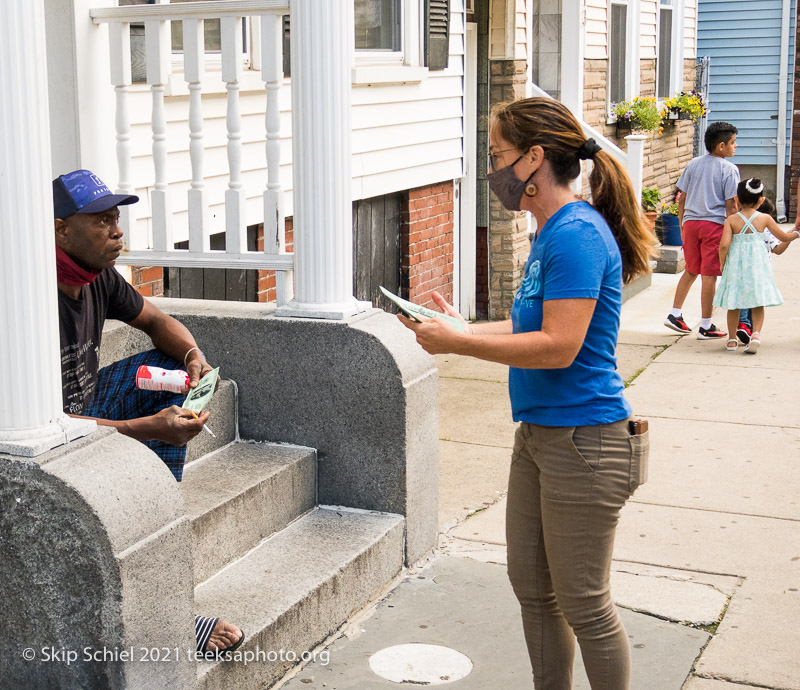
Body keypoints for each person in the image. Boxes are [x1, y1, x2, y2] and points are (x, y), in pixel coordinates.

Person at [400, 97, 655, 689]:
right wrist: (462, 328)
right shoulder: (550, 232)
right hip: (541, 436)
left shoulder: (576, 235)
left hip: (586, 440)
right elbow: (528, 327)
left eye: (498, 156)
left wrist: (459, 345)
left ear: (534, 159)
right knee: (535, 592)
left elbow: (558, 346)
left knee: (585, 604)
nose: (492, 169)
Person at [54, 169, 243, 658]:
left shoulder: (97, 278)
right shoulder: (26, 301)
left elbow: (158, 321)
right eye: (102, 222)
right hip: (47, 440)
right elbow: (36, 429)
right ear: (61, 230)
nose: (118, 232)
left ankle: (153, 505)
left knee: (170, 368)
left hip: (86, 410)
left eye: (117, 220)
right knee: (153, 419)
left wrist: (192, 357)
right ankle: (170, 613)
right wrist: (140, 429)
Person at [664, 121, 740, 339]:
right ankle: (706, 325)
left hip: (690, 223)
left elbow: (682, 198)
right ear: (721, 146)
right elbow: (731, 205)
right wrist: (734, 230)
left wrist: (681, 222)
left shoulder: (694, 164)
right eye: (733, 143)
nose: (736, 147)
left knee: (690, 269)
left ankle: (675, 313)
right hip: (713, 226)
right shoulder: (729, 170)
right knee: (709, 275)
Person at [714, 178, 798, 353]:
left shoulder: (731, 220)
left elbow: (724, 245)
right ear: (761, 200)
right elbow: (782, 238)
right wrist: (796, 233)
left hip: (736, 265)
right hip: (757, 265)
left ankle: (731, 340)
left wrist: (722, 263)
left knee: (734, 302)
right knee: (758, 302)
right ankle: (756, 335)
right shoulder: (765, 218)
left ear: (737, 199)